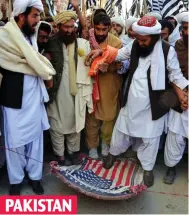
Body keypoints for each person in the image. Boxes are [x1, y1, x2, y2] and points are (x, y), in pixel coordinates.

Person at [88, 16, 188, 187]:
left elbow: (175, 75)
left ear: (155, 37)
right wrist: (101, 51)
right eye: (139, 39)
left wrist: (182, 94)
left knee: (151, 137)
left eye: (144, 40)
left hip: (154, 102)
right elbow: (118, 54)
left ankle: (148, 168)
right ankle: (113, 154)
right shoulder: (135, 45)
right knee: (122, 130)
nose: (140, 43)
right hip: (132, 97)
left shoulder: (166, 50)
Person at [0, 0, 55, 195]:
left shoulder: (33, 33)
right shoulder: (4, 37)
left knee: (35, 141)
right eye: (34, 15)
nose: (38, 20)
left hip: (34, 97)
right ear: (21, 15)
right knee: (14, 141)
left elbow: (36, 60)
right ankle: (15, 180)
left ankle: (34, 177)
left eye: (39, 15)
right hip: (13, 98)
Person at [46, 11, 93, 166]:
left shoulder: (79, 43)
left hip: (75, 88)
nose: (69, 30)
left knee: (75, 121)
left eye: (72, 27)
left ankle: (73, 152)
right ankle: (60, 155)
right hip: (56, 89)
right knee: (56, 122)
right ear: (58, 26)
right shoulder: (51, 42)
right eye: (66, 27)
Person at [85, 12, 123, 159]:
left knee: (108, 118)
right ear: (93, 27)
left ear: (109, 28)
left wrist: (109, 67)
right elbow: (82, 59)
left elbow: (120, 65)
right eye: (97, 29)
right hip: (91, 84)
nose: (100, 33)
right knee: (91, 117)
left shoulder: (116, 43)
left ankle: (106, 144)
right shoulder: (87, 40)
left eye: (103, 30)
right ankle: (92, 147)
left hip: (109, 85)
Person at [164, 12, 188, 185]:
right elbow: (171, 72)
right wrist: (181, 94)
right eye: (186, 28)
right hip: (180, 97)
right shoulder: (176, 47)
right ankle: (171, 168)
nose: (187, 32)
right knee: (175, 135)